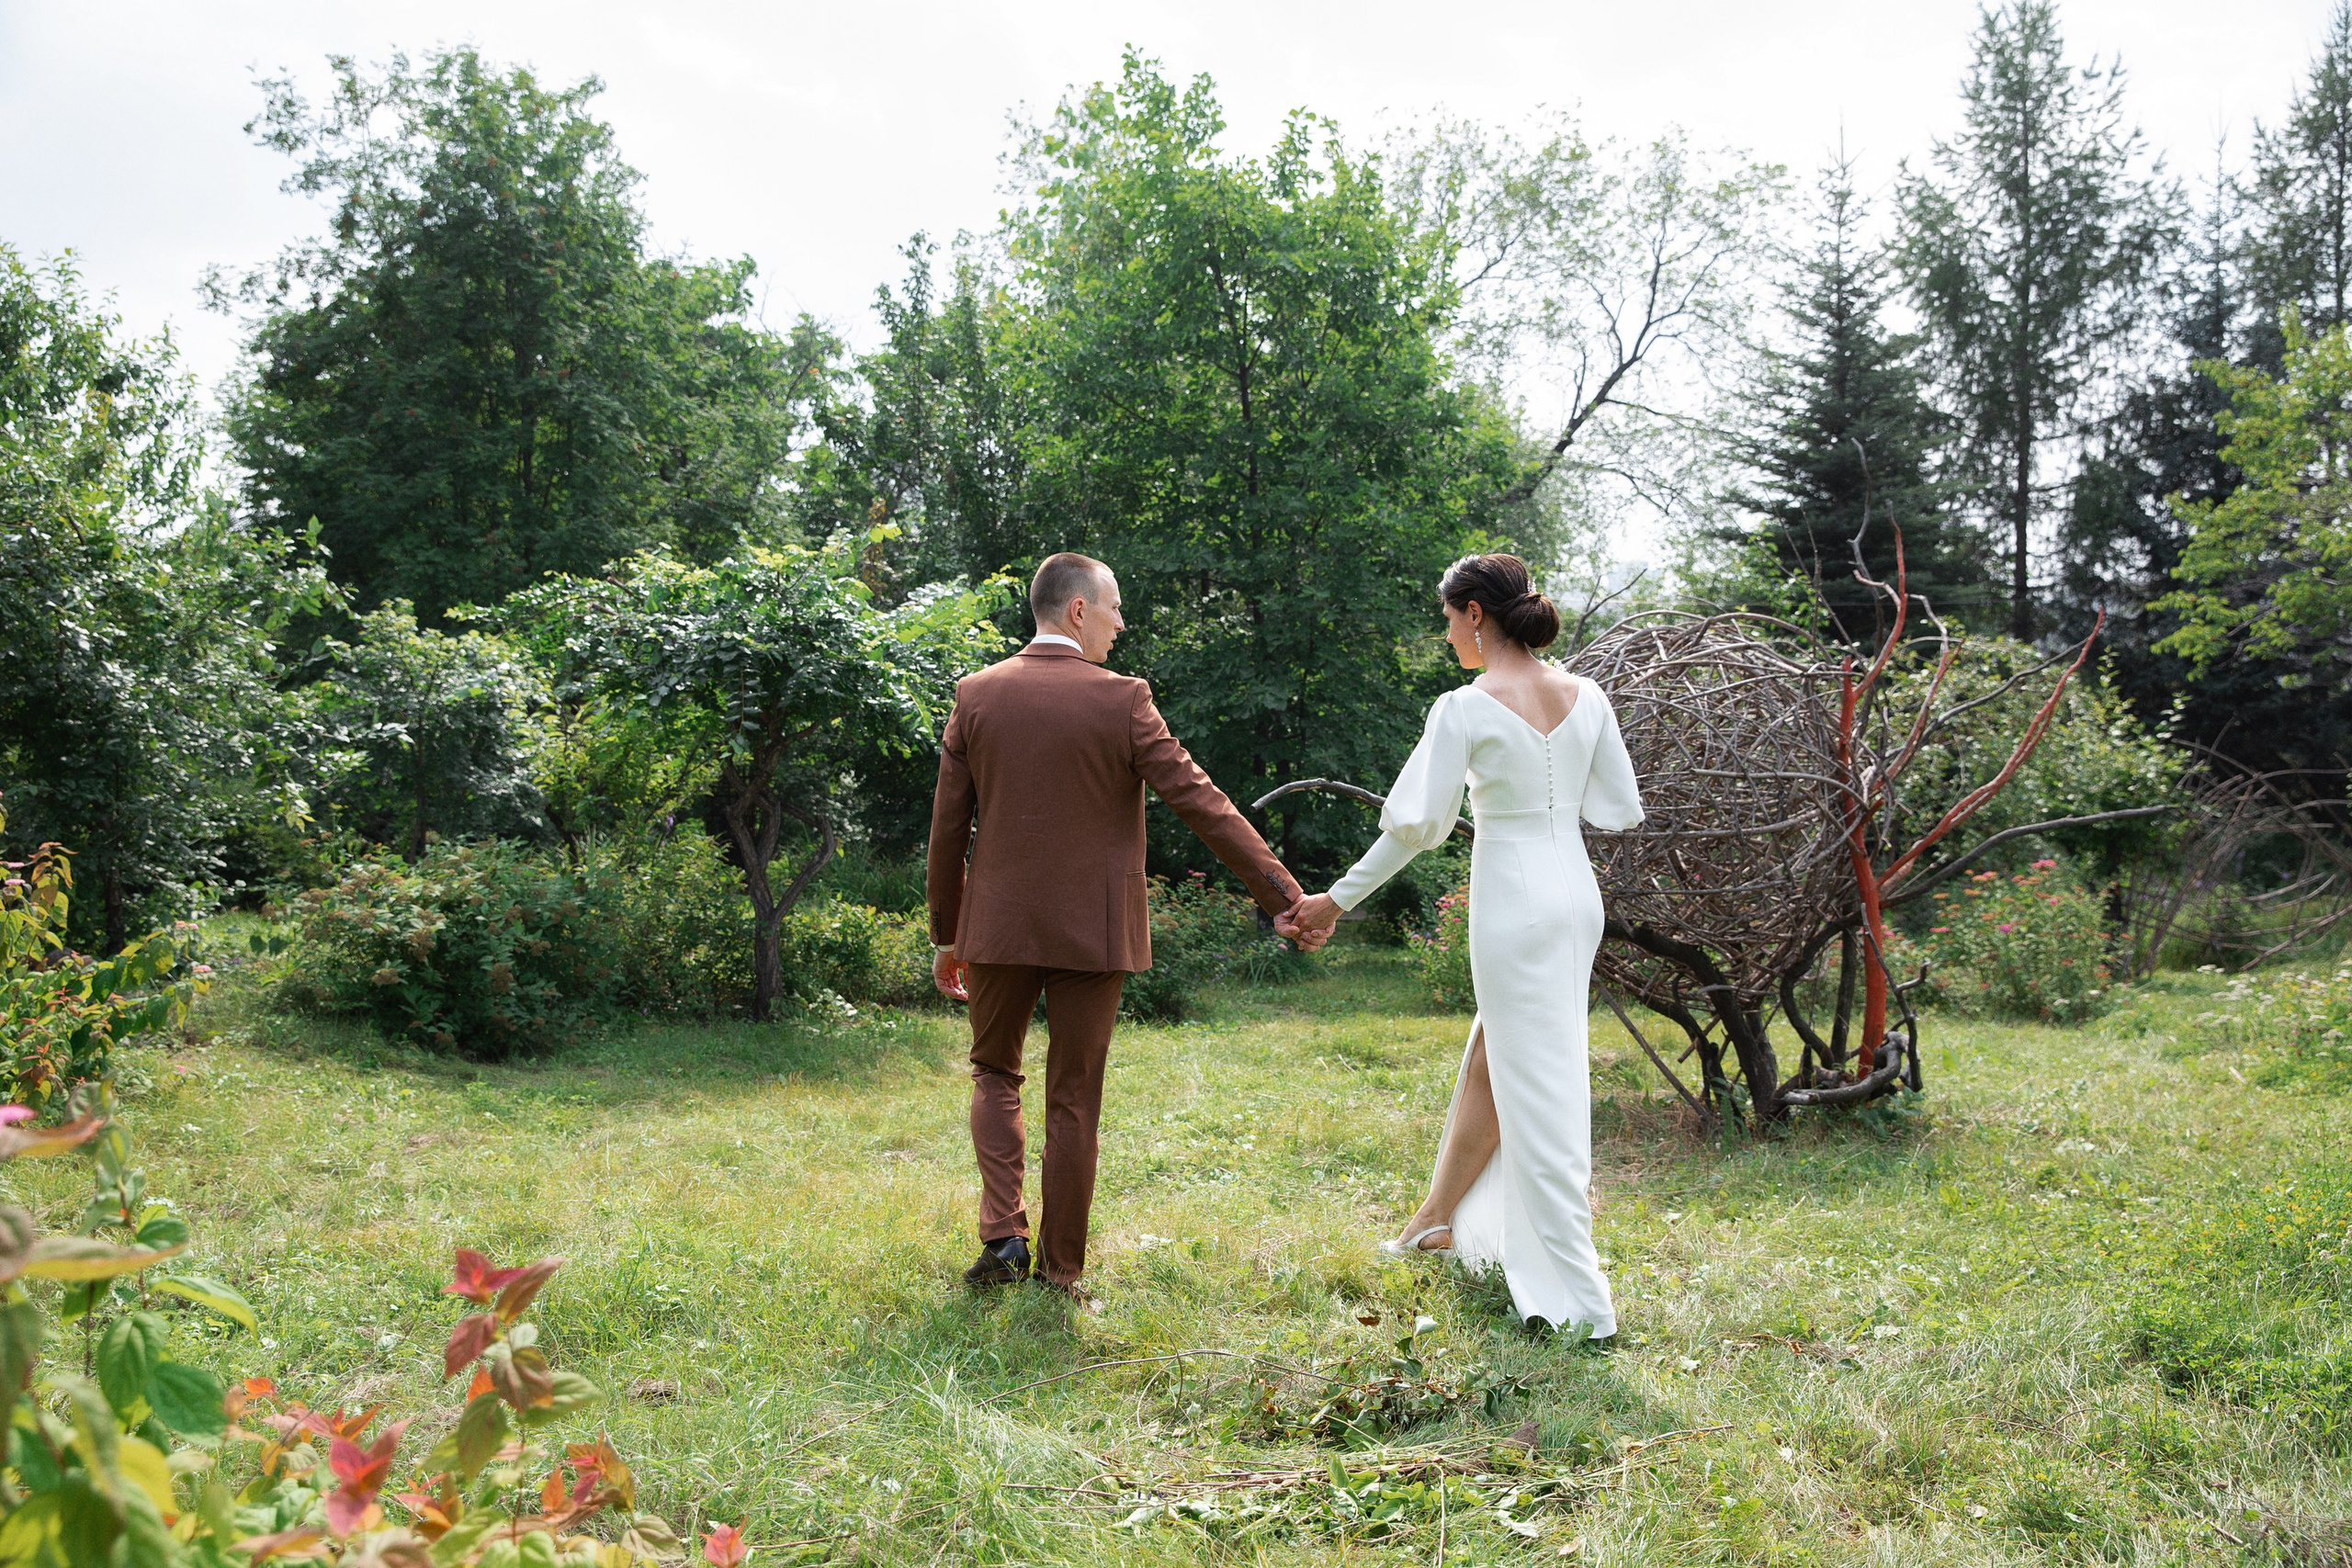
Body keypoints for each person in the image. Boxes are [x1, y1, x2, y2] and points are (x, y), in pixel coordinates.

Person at [927, 552, 1326, 1309]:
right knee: (1075, 1095)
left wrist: (948, 932)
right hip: (1094, 931)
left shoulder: (976, 695)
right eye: (1114, 608)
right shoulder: (1123, 699)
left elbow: (948, 828)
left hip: (998, 927)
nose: (1120, 624)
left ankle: (1003, 1235)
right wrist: (1282, 892)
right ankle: (1060, 1273)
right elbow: (1201, 801)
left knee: (994, 1072)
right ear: (1078, 610)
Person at [1288, 553, 1644, 1336]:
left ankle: (1577, 1297)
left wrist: (1334, 899)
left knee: (1539, 1085)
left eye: (1448, 617)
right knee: (1499, 1052)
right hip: (1575, 896)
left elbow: (1414, 828)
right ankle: (1435, 1219)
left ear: (1475, 613)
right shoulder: (1587, 695)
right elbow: (1618, 808)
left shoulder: (1464, 707)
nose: (1446, 632)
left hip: (1512, 899)